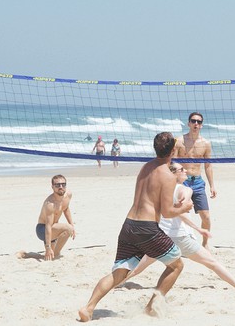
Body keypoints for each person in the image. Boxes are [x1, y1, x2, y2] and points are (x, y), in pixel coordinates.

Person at [78, 132, 193, 322]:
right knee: (176, 265)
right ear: (173, 150)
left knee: (119, 274)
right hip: (146, 228)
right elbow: (167, 212)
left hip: (128, 225)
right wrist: (185, 207)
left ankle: (88, 307)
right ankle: (150, 308)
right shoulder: (167, 175)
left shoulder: (145, 167)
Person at [123, 163, 235, 289]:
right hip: (179, 237)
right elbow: (182, 206)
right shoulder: (184, 189)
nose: (186, 171)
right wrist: (198, 227)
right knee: (212, 262)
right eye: (181, 169)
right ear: (174, 174)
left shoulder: (161, 189)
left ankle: (117, 283)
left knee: (138, 268)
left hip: (160, 237)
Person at [172, 112, 216, 248]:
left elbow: (208, 166)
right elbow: (172, 163)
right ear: (189, 123)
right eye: (193, 121)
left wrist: (212, 185)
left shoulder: (206, 144)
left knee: (206, 216)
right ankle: (177, 242)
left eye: (199, 122)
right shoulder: (179, 141)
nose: (196, 124)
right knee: (180, 214)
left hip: (197, 182)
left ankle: (205, 243)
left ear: (202, 125)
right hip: (182, 182)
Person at [36, 175, 76, 260]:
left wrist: (72, 225)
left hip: (53, 227)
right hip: (43, 229)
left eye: (63, 184)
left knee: (49, 256)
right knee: (68, 228)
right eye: (57, 185)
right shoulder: (50, 204)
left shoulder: (68, 195)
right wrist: (47, 247)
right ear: (52, 187)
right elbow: (48, 226)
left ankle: (25, 255)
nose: (61, 187)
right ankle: (56, 253)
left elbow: (66, 209)